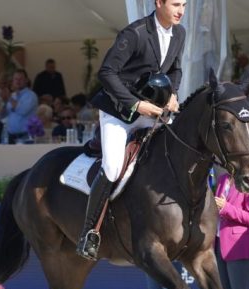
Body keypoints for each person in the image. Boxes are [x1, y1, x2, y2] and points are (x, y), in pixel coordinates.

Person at [77, 0, 187, 261]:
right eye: (175, 4)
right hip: (120, 112)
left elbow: (175, 69)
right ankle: (90, 232)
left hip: (153, 110)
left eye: (183, 4)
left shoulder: (179, 33)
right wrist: (136, 104)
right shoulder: (135, 33)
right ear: (159, 2)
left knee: (176, 150)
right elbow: (106, 73)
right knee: (114, 167)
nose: (180, 10)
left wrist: (172, 94)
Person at [1, 69, 39, 144]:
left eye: (21, 79)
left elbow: (22, 111)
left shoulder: (31, 95)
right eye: (16, 79)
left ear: (26, 80)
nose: (18, 81)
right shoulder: (12, 96)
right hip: (10, 136)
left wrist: (9, 97)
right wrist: (4, 102)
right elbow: (2, 116)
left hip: (25, 136)